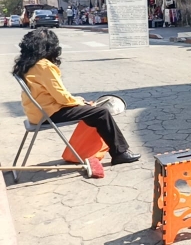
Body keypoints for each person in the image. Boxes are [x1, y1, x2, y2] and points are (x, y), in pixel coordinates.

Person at [12, 29, 140, 166]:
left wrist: (77, 101)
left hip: (36, 113)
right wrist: (80, 101)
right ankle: (120, 153)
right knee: (101, 112)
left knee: (91, 110)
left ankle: (114, 151)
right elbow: (62, 98)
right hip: (48, 113)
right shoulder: (44, 66)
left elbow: (56, 95)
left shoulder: (26, 64)